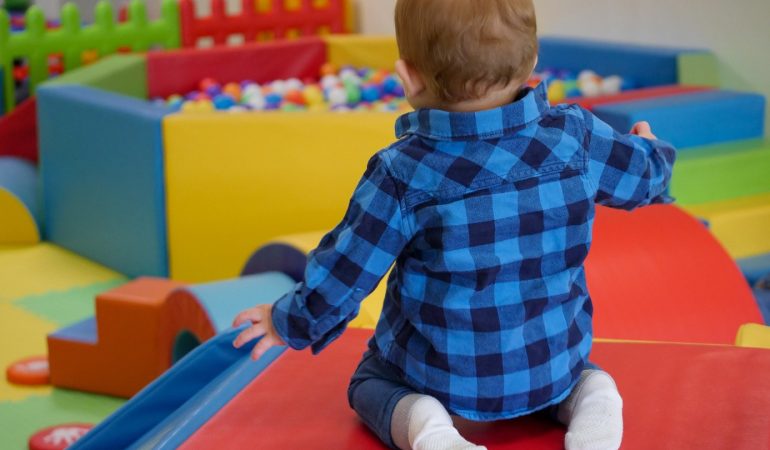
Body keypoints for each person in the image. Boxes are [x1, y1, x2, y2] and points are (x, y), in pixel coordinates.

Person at [233, 1, 676, 448]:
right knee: (577, 372)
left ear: (408, 77)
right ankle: (591, 398)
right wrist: (652, 150)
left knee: (369, 383)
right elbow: (646, 177)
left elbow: (348, 269)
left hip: (442, 375)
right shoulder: (576, 136)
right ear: (533, 58)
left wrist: (287, 320)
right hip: (551, 361)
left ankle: (430, 427)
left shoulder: (402, 171)